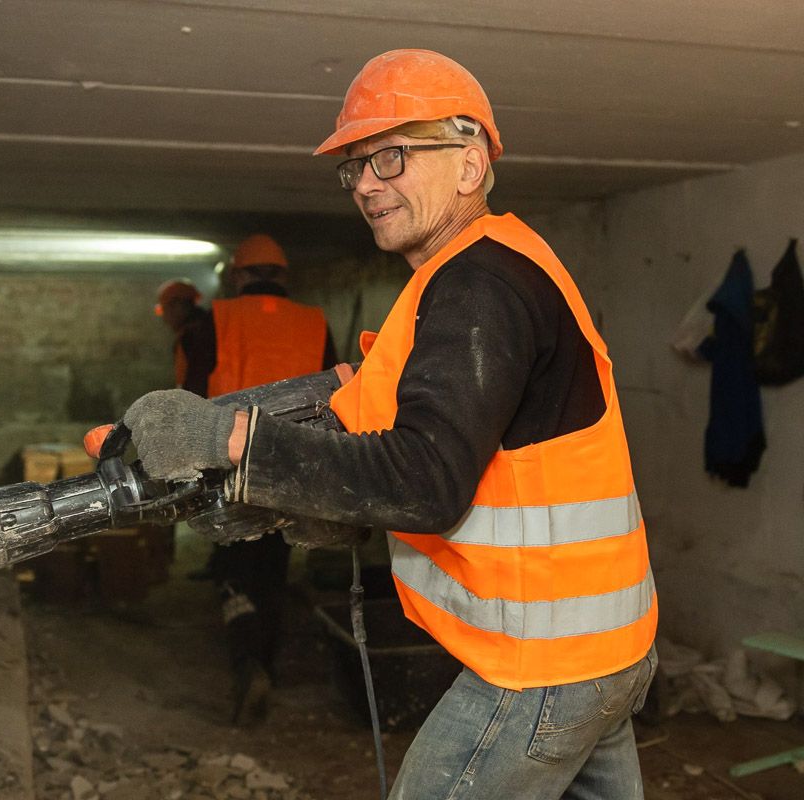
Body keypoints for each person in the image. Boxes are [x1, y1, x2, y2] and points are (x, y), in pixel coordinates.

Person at [119, 50, 657, 798]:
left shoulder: (477, 286)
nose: (367, 184)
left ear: (469, 166)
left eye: (392, 157)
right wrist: (311, 491)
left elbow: (424, 479)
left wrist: (230, 442)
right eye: (357, 167)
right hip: (608, 648)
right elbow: (391, 413)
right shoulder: (486, 267)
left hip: (542, 664)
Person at [167, 236, 337, 725]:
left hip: (230, 464)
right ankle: (268, 663)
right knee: (273, 566)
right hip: (295, 464)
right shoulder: (315, 321)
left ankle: (247, 662)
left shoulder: (215, 321)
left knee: (232, 566)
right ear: (282, 276)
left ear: (239, 276)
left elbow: (192, 396)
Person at [153, 278, 209, 391]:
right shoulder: (207, 326)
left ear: (178, 305)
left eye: (165, 310)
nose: (164, 318)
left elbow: (195, 384)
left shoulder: (193, 336)